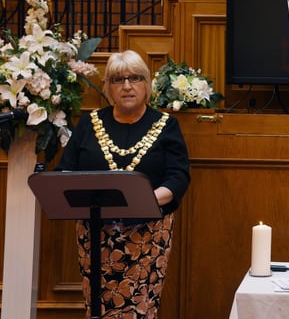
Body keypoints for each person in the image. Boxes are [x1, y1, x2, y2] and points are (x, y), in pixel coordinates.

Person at [56, 50, 191, 318]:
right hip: (95, 233)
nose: (127, 86)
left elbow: (178, 177)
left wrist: (143, 199)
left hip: (147, 235)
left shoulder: (166, 125)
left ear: (146, 84)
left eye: (135, 78)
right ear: (108, 86)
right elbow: (64, 172)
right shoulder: (89, 123)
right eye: (118, 79)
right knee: (97, 306)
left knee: (139, 309)